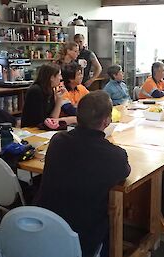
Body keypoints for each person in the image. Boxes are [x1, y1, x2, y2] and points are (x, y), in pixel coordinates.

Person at [34, 90, 131, 257]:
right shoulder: (114, 156)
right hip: (82, 236)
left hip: (43, 226)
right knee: (114, 218)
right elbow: (125, 172)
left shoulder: (57, 141)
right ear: (107, 121)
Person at [21, 63, 76, 127]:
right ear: (52, 77)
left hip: (43, 129)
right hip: (32, 129)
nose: (61, 78)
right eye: (59, 75)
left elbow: (53, 118)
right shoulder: (36, 91)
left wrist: (59, 100)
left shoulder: (50, 90)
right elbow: (40, 121)